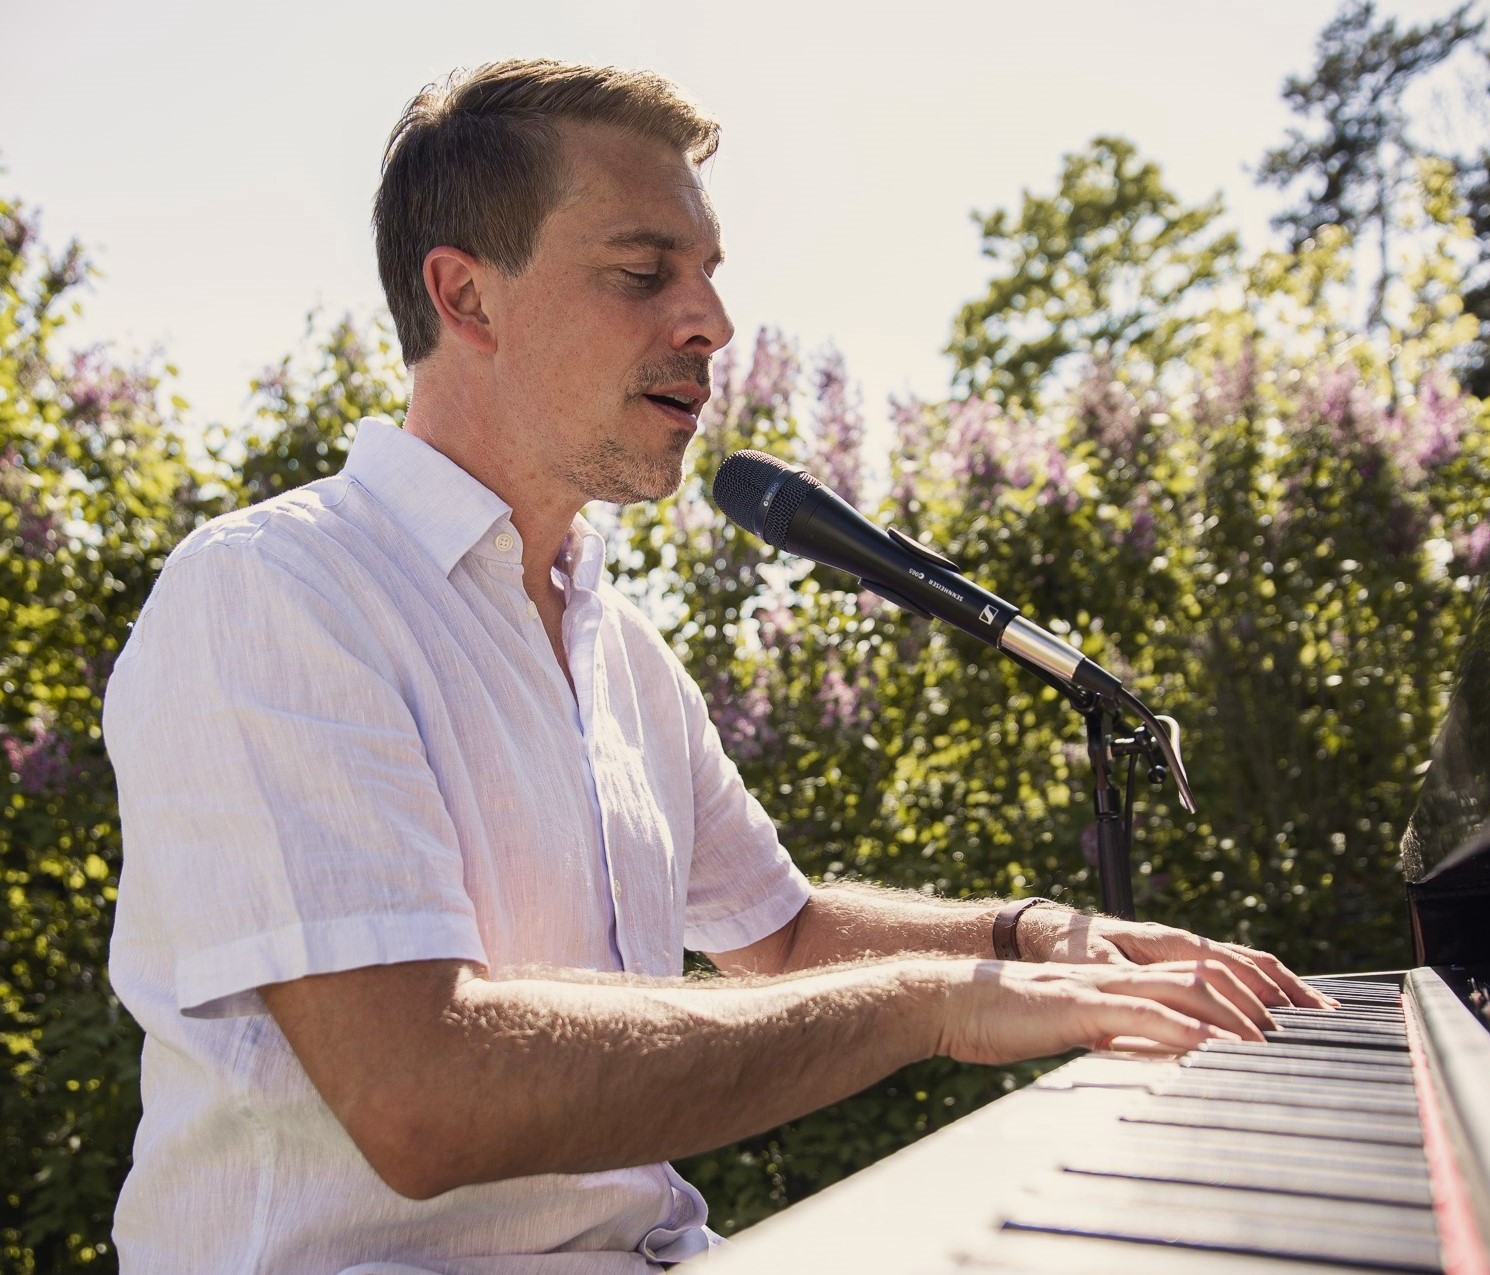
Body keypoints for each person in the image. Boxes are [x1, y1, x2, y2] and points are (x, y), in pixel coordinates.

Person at [103, 59, 1330, 1274]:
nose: (712, 323)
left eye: (705, 274)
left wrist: (1027, 938)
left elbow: (782, 940)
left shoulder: (618, 641)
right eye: (643, 273)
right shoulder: (272, 594)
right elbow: (426, 1095)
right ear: (465, 298)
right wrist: (934, 1002)